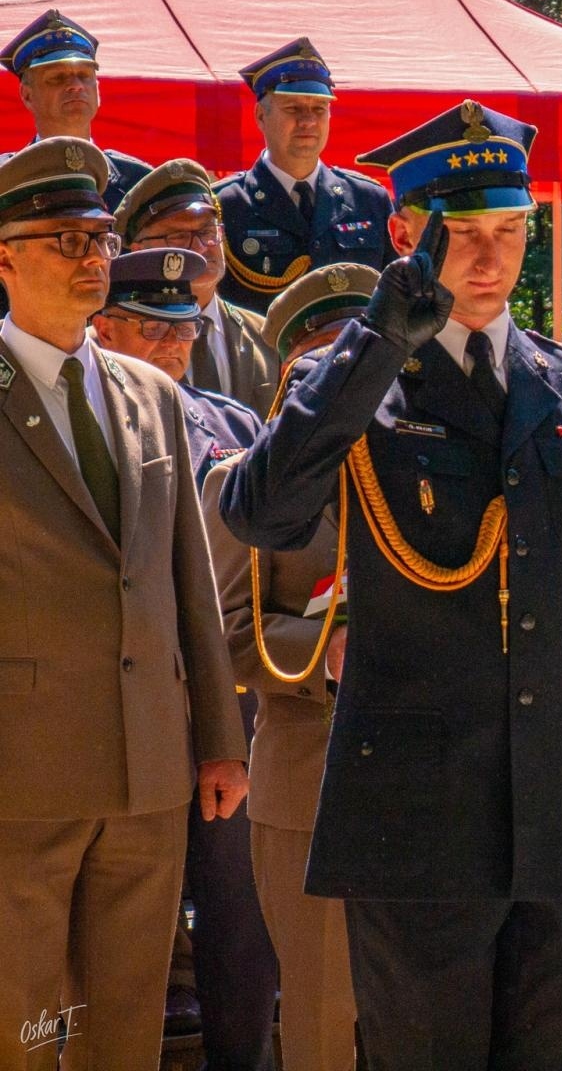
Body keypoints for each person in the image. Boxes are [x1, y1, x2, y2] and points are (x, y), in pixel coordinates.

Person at [221, 100, 562, 1069]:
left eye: (508, 231)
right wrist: (376, 340)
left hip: (559, 808)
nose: (488, 257)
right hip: (417, 821)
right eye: (462, 233)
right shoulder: (357, 386)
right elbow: (262, 512)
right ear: (404, 234)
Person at [0, 137, 248, 1071]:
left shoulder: (149, 393)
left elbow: (189, 580)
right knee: (20, 1026)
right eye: (63, 239)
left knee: (125, 1026)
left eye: (100, 237)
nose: (90, 258)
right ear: (5, 257)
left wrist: (220, 736)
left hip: (149, 771)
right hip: (18, 779)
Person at [89, 245, 277, 1069]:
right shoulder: (80, 423)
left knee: (239, 915)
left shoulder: (236, 426)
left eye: (184, 332)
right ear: (103, 331)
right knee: (123, 924)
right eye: (151, 333)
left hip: (227, 703)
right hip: (117, 708)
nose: (174, 350)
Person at [201, 262, 381, 1071]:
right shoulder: (240, 485)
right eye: (323, 359)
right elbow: (231, 633)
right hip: (310, 780)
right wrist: (330, 652)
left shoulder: (435, 464)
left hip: (435, 785)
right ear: (290, 374)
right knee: (319, 1017)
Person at [215, 38, 393, 313]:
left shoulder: (369, 200)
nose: (308, 121)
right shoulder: (225, 203)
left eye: (319, 110)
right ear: (261, 116)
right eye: (293, 109)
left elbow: (392, 300)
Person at [117, 158, 281, 417]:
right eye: (179, 236)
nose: (202, 247)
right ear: (139, 250)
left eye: (207, 232)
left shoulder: (266, 335)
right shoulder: (118, 336)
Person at [0, 9, 155, 212]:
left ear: (98, 89)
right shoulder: (5, 180)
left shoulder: (139, 183)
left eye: (84, 75)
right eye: (58, 77)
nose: (76, 85)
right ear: (27, 95)